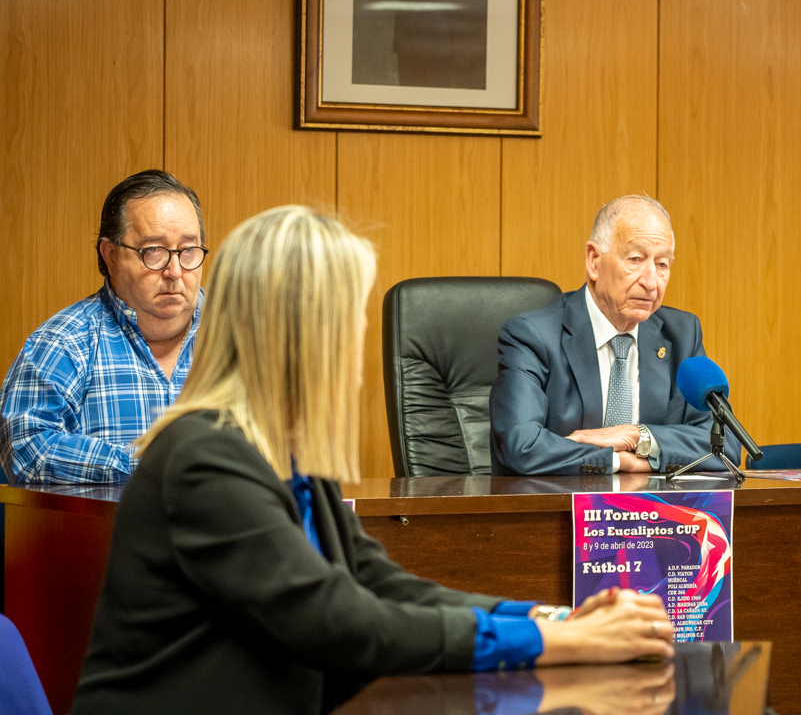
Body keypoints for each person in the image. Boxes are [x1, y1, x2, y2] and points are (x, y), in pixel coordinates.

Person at [72, 207, 675, 715]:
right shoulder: (203, 459)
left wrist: (551, 617)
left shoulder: (283, 457)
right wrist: (557, 642)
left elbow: (378, 582)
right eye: (349, 316)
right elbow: (339, 620)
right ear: (300, 332)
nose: (359, 336)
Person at [490, 195, 737, 476]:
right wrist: (619, 462)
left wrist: (639, 437)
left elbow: (725, 445)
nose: (651, 282)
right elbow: (522, 446)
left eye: (662, 265)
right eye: (635, 259)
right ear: (594, 261)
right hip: (559, 502)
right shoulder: (532, 336)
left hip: (652, 504)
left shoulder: (681, 334)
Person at [0, 170, 207, 484]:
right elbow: (26, 450)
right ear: (110, 255)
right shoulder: (63, 343)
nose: (175, 271)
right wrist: (150, 465)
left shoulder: (243, 335)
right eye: (154, 251)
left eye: (188, 251)